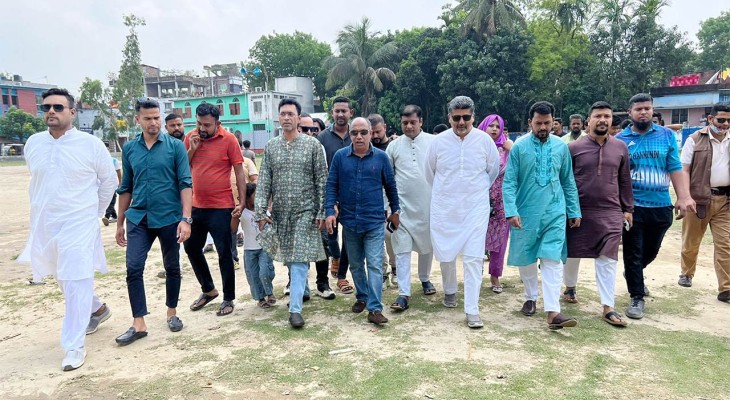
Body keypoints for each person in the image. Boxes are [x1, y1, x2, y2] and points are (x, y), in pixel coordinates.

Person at [19, 88, 117, 371]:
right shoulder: (34, 143)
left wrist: (94, 213)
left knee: (75, 277)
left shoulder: (90, 144)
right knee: (61, 275)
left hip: (79, 222)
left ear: (72, 112)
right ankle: (97, 309)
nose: (51, 111)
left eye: (58, 107)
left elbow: (109, 181)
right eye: (46, 107)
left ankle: (73, 345)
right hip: (45, 223)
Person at [114, 98, 193, 345]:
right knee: (133, 267)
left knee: (172, 266)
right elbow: (126, 187)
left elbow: (185, 183)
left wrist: (186, 219)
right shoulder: (130, 149)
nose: (154, 123)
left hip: (169, 217)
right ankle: (139, 323)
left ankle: (172, 312)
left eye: (157, 118)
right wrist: (119, 222)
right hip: (138, 217)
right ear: (137, 119)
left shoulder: (175, 147)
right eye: (148, 118)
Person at [616, 93, 696, 319]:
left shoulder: (666, 135)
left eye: (647, 108)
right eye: (638, 109)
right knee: (633, 251)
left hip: (661, 205)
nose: (643, 112)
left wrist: (683, 196)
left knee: (651, 250)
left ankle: (633, 273)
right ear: (630, 113)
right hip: (633, 207)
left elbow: (674, 167)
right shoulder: (620, 140)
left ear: (652, 111)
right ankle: (637, 296)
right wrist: (621, 206)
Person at [502, 101, 581, 330]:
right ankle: (530, 296)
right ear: (530, 122)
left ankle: (553, 311)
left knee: (552, 259)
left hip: (555, 211)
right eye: (538, 123)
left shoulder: (561, 147)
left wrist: (574, 210)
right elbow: (509, 182)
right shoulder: (519, 147)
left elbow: (568, 181)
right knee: (527, 257)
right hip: (525, 211)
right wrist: (511, 211)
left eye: (547, 123)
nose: (543, 127)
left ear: (554, 122)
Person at [425, 96, 500, 329]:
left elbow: (492, 171)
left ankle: (472, 309)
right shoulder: (438, 142)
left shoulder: (484, 141)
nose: (461, 122)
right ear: (449, 118)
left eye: (466, 117)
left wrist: (473, 190)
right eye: (456, 118)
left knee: (474, 258)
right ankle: (450, 290)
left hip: (475, 208)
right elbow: (429, 173)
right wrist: (448, 192)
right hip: (445, 208)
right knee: (445, 251)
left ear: (473, 117)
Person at [256, 98, 329, 328]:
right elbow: (264, 181)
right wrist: (260, 211)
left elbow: (322, 180)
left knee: (297, 257)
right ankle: (303, 289)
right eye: (283, 114)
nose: (286, 117)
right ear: (278, 117)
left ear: (298, 118)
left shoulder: (312, 145)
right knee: (290, 256)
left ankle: (295, 309)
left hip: (305, 210)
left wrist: (321, 211)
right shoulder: (271, 146)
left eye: (291, 114)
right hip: (280, 212)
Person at [325, 117, 400, 325]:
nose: (359, 137)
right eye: (355, 133)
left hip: (374, 222)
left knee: (374, 265)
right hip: (349, 222)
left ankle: (374, 308)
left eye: (363, 132)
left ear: (370, 133)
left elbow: (391, 186)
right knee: (356, 265)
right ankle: (362, 296)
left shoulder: (382, 158)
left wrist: (395, 210)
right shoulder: (340, 157)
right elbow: (331, 185)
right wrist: (330, 210)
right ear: (350, 134)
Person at [566, 101, 633, 326]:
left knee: (608, 258)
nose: (603, 120)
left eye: (607, 116)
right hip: (579, 211)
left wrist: (628, 209)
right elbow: (565, 180)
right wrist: (568, 209)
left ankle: (608, 307)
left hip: (610, 211)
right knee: (572, 254)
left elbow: (625, 180)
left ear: (611, 120)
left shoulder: (620, 147)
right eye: (598, 116)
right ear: (589, 120)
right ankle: (570, 288)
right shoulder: (573, 148)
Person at [184, 103, 247, 317]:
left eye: (207, 125)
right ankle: (208, 289)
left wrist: (241, 201)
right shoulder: (191, 137)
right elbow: (182, 167)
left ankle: (228, 298)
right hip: (196, 206)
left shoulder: (229, 140)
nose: (202, 128)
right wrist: (192, 149)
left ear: (217, 123)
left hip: (221, 207)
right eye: (199, 123)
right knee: (191, 248)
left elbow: (239, 172)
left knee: (224, 253)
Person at [278, 112, 336, 300]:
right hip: (291, 208)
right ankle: (296, 284)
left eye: (313, 129)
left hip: (316, 207)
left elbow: (323, 180)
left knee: (322, 245)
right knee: (293, 247)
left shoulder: (317, 147)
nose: (310, 132)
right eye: (305, 129)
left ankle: (322, 283)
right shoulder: (282, 147)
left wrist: (326, 207)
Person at [387, 105, 437, 312]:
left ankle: (425, 278)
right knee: (402, 250)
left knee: (427, 246)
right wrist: (390, 209)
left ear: (421, 122)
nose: (408, 126)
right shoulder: (393, 147)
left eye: (412, 122)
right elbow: (387, 179)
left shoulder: (434, 143)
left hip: (429, 207)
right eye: (404, 123)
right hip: (402, 209)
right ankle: (403, 293)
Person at [679, 103, 730, 303]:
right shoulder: (694, 139)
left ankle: (726, 288)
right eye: (721, 120)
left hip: (725, 200)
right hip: (698, 200)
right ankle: (686, 273)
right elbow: (684, 170)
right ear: (710, 119)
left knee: (725, 245)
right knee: (691, 242)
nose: (725, 124)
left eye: (728, 121)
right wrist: (685, 196)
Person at [317, 96, 353, 294]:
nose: (340, 114)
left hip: (351, 196)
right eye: (337, 110)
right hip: (329, 195)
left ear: (350, 113)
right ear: (332, 113)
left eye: (344, 111)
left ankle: (341, 276)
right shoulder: (322, 138)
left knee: (348, 236)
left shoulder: (356, 134)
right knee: (330, 234)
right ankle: (335, 258)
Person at [477, 114, 513, 294]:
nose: (494, 129)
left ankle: (495, 276)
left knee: (500, 239)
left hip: (500, 201)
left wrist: (511, 148)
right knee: (476, 237)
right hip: (478, 198)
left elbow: (517, 168)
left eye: (498, 126)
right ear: (483, 127)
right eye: (491, 125)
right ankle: (475, 274)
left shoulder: (506, 149)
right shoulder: (474, 146)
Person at [368, 113, 397, 286]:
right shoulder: (365, 148)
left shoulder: (394, 146)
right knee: (375, 238)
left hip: (389, 196)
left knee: (390, 234)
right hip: (371, 198)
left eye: (378, 132)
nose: (375, 136)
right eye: (371, 132)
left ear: (384, 128)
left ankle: (395, 267)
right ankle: (382, 272)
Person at [157, 112, 187, 279]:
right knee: (174, 234)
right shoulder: (163, 146)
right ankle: (174, 267)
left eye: (179, 125)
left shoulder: (191, 140)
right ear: (166, 127)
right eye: (172, 125)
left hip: (193, 195)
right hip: (172, 198)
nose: (176, 128)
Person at [240, 183, 277, 308]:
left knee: (265, 271)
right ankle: (260, 298)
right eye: (255, 196)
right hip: (249, 249)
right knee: (253, 275)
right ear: (247, 197)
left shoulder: (263, 210)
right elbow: (233, 228)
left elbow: (271, 223)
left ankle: (269, 292)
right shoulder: (242, 212)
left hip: (264, 247)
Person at [102, 152, 122, 226]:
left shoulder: (114, 161)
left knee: (111, 201)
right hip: (104, 185)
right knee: (108, 201)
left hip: (113, 185)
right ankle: (114, 216)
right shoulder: (101, 161)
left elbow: (118, 173)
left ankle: (106, 216)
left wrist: (120, 183)